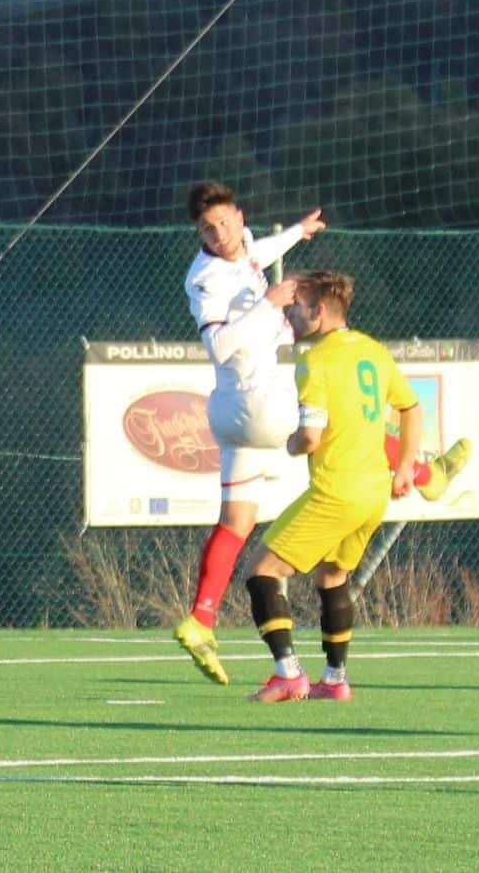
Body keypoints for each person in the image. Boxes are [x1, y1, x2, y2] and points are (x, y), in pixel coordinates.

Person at [239, 270, 454, 702]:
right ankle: (335, 680)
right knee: (333, 576)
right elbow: (411, 409)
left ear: (318, 312)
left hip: (335, 492)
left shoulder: (315, 361)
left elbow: (310, 437)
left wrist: (292, 443)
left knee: (260, 572)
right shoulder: (373, 351)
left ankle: (288, 675)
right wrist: (405, 467)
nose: (290, 317)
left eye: (295, 308)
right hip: (373, 492)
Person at [171, 182, 324, 685]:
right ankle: (419, 470)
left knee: (237, 520)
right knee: (341, 414)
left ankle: (201, 619)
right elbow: (219, 346)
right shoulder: (205, 279)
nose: (218, 234)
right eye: (207, 229)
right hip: (259, 402)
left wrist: (298, 233)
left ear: (240, 216)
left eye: (223, 223)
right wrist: (270, 305)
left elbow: (257, 253)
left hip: (237, 413)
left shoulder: (243, 250)